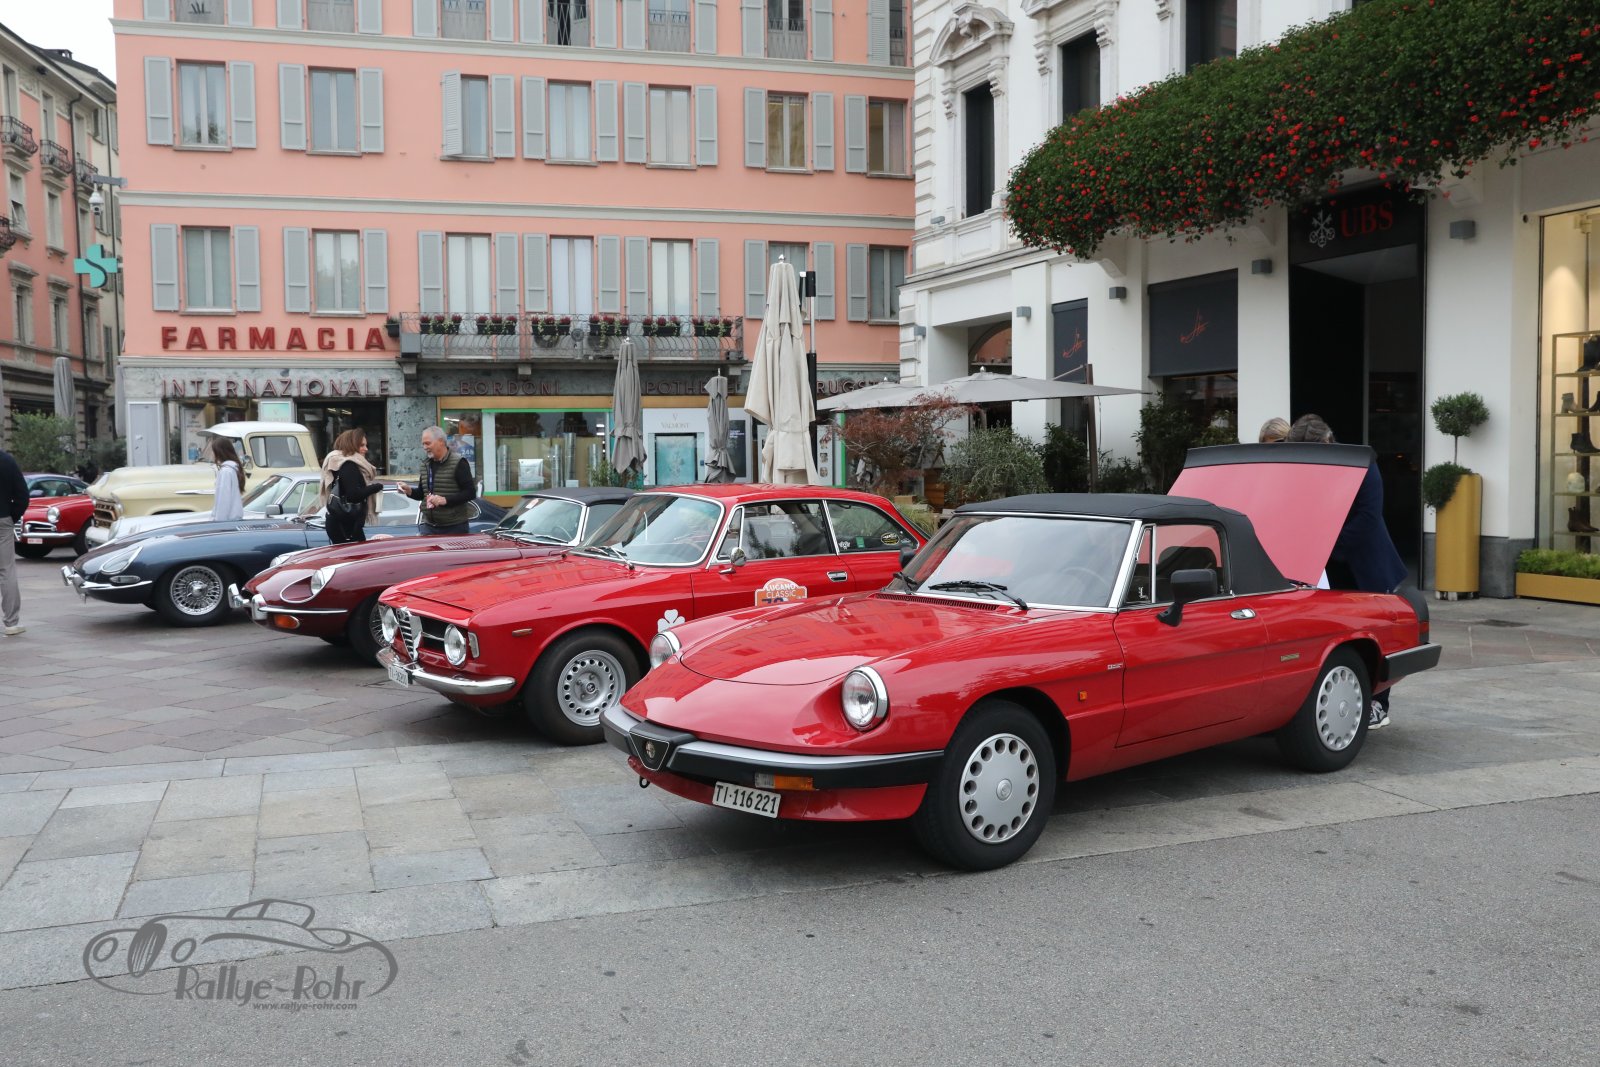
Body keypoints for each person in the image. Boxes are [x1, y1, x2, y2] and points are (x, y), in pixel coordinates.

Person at [1286, 413, 1408, 729]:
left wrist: (1326, 546)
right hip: (1324, 564)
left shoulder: (1362, 463)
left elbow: (1368, 516)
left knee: (1377, 635)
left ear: (1328, 441)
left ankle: (1379, 704)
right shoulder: (1300, 468)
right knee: (1337, 636)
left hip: (1366, 563)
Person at [400, 426, 476, 535]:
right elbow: (422, 494)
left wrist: (445, 500)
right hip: (429, 526)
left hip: (454, 527)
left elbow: (470, 493)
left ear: (441, 442)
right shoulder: (425, 465)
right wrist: (409, 491)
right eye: (423, 444)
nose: (425, 447)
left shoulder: (459, 463)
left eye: (428, 443)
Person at [318, 429, 385, 544]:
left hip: (343, 523)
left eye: (366, 445)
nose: (366, 449)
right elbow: (353, 495)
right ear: (351, 445)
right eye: (362, 445)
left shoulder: (342, 463)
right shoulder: (348, 465)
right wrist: (375, 487)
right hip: (345, 526)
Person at [0, 445, 28, 635]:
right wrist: (12, 517)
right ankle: (11, 623)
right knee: (6, 569)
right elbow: (22, 495)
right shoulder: (7, 461)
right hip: (2, 520)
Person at [209, 437, 246, 521]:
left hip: (227, 521)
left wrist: (219, 523)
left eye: (212, 451)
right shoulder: (232, 469)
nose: (211, 453)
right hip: (233, 520)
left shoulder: (226, 471)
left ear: (219, 452)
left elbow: (223, 500)